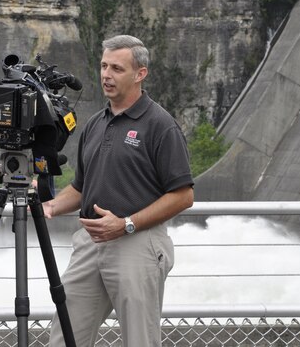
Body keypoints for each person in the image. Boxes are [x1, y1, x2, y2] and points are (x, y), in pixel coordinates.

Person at [44, 35, 194, 347]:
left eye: (117, 68)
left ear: (140, 74)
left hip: (137, 243)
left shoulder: (160, 125)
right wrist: (51, 207)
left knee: (139, 341)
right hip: (90, 243)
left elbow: (182, 195)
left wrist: (125, 224)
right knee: (64, 337)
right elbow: (81, 188)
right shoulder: (96, 124)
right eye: (103, 66)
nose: (106, 75)